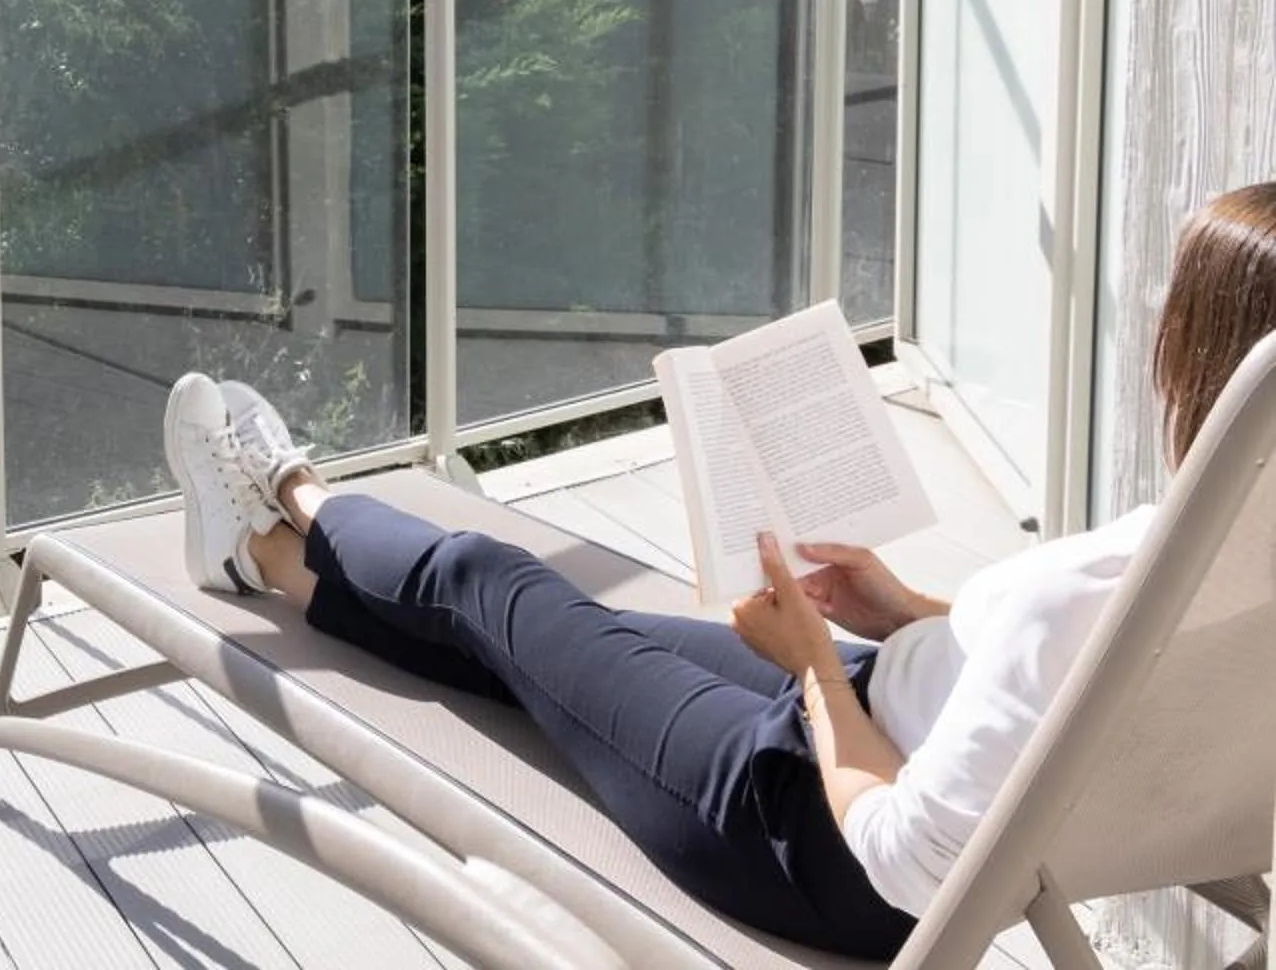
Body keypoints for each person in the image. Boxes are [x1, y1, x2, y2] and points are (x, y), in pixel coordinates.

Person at [165, 182, 1276, 960]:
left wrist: (814, 672)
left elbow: (907, 861)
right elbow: (1106, 679)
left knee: (485, 581)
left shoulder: (1110, 578)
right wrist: (905, 613)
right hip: (893, 724)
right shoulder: (1228, 550)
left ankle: (283, 502)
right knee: (542, 646)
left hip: (803, 831)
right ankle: (259, 548)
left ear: (1203, 357)